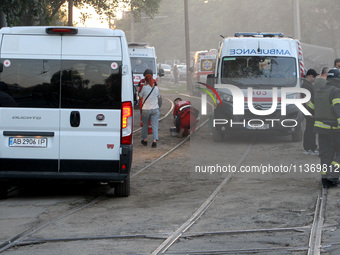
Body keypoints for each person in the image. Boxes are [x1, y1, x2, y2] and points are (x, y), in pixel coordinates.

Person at [308, 68, 340, 188]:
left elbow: (310, 108)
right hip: (335, 130)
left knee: (326, 154)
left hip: (320, 129)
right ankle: (332, 175)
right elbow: (338, 110)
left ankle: (325, 180)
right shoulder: (336, 91)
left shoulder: (319, 91)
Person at [139, 73, 160, 148]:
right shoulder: (156, 88)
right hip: (155, 109)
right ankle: (154, 141)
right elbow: (158, 96)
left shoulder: (144, 88)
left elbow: (140, 96)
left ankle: (145, 140)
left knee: (145, 125)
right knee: (155, 125)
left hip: (146, 109)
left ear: (146, 80)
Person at [302, 69, 319, 155]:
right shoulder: (306, 86)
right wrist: (310, 113)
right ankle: (312, 148)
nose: (315, 78)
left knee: (308, 129)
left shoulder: (307, 84)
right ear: (309, 76)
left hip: (306, 111)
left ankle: (307, 148)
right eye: (314, 76)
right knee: (311, 130)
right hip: (309, 111)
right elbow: (307, 100)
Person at [138, 69, 158, 134]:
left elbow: (138, 91)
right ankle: (150, 129)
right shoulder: (154, 82)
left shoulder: (141, 81)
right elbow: (157, 92)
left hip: (143, 101)